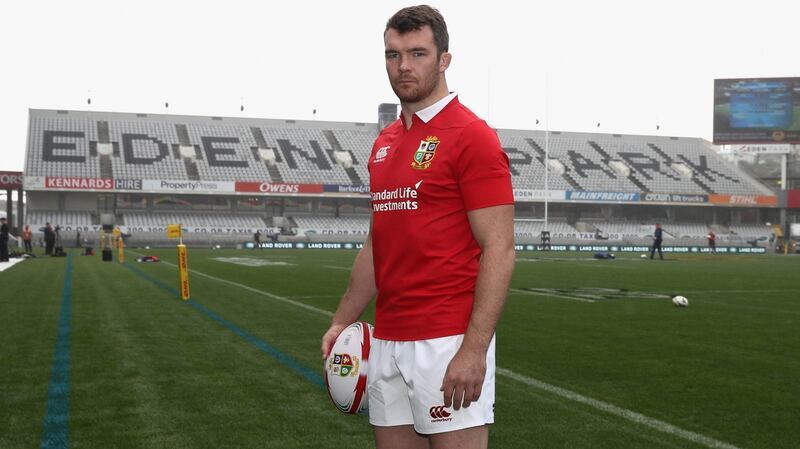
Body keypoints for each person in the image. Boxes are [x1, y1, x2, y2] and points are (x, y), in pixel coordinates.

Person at [320, 6, 515, 449]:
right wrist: (341, 322)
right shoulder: (385, 142)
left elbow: (499, 248)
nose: (404, 66)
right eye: (393, 55)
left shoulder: (472, 136)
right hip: (386, 340)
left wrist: (473, 349)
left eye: (417, 53)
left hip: (446, 341)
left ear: (444, 59)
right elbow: (378, 243)